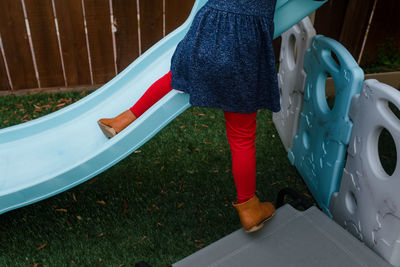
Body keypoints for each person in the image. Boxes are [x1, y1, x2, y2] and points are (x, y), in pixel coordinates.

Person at [98, 0, 279, 233]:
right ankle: (248, 208)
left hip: (209, 28)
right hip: (244, 46)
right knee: (242, 136)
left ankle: (124, 119)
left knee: (175, 78)